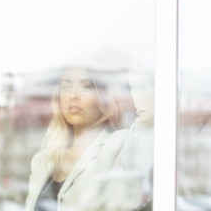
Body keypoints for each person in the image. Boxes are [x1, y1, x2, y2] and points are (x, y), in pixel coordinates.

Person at [25, 66, 153, 211]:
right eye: (66, 87)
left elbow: (150, 112)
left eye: (86, 87)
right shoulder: (42, 160)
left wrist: (127, 63)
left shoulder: (121, 145)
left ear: (105, 97)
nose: (73, 95)